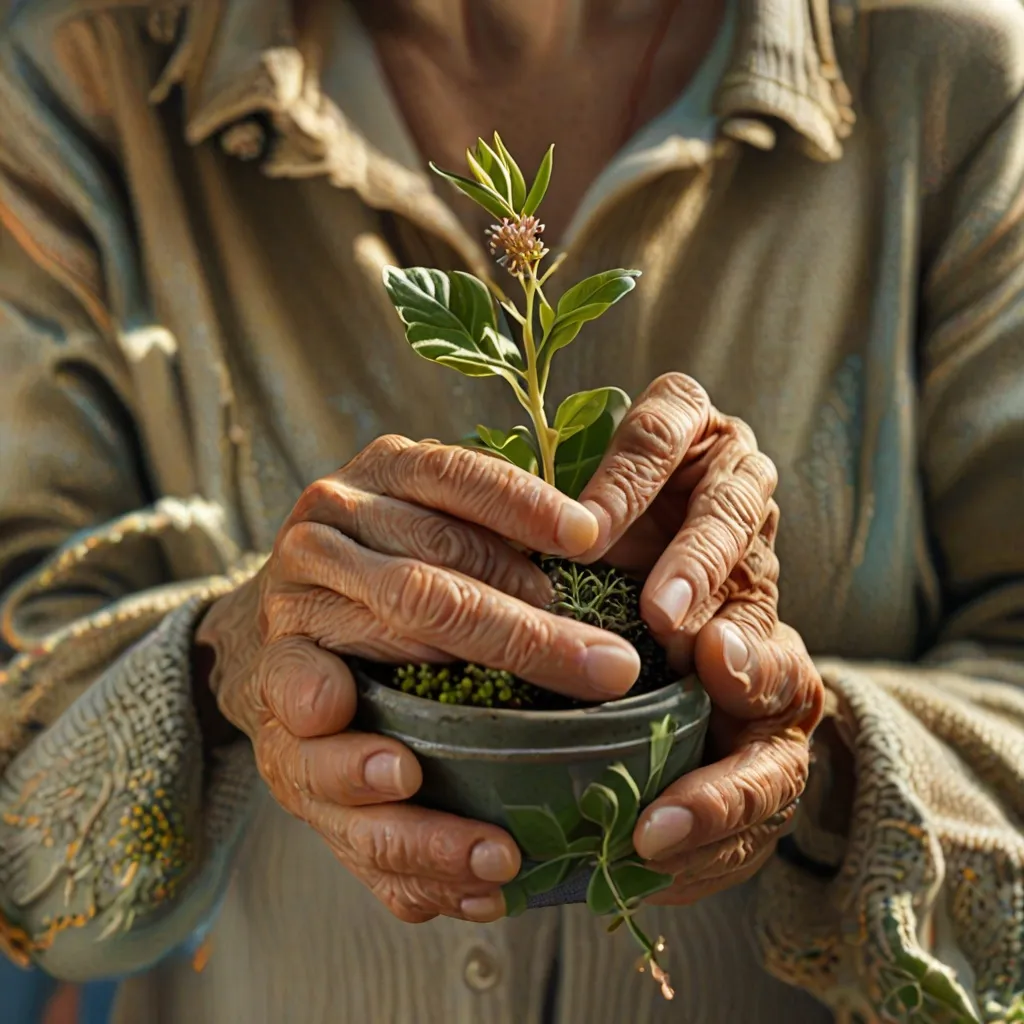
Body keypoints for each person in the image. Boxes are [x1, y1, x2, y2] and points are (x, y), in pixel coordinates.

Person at [0, 1, 1022, 1022]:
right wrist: (230, 653)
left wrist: (817, 756)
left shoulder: (952, 81)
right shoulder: (84, 73)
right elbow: (22, 818)